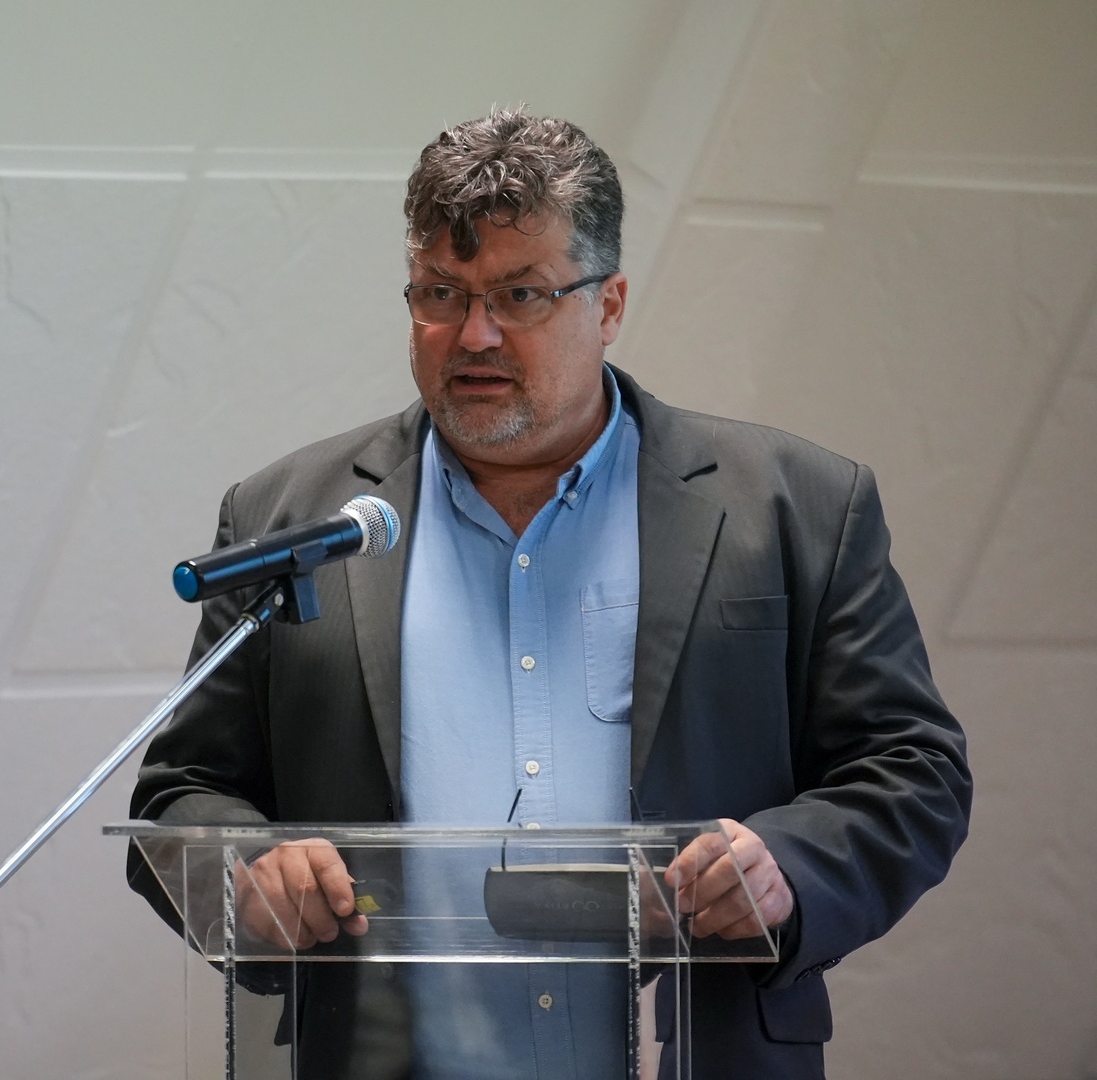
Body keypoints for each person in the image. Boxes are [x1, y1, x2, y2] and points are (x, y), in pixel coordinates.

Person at [127, 108, 971, 1079]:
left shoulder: (794, 507)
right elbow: (180, 794)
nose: (474, 334)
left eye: (520, 294)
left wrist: (790, 866)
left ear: (609, 305)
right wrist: (245, 874)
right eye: (439, 293)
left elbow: (913, 768)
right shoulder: (294, 515)